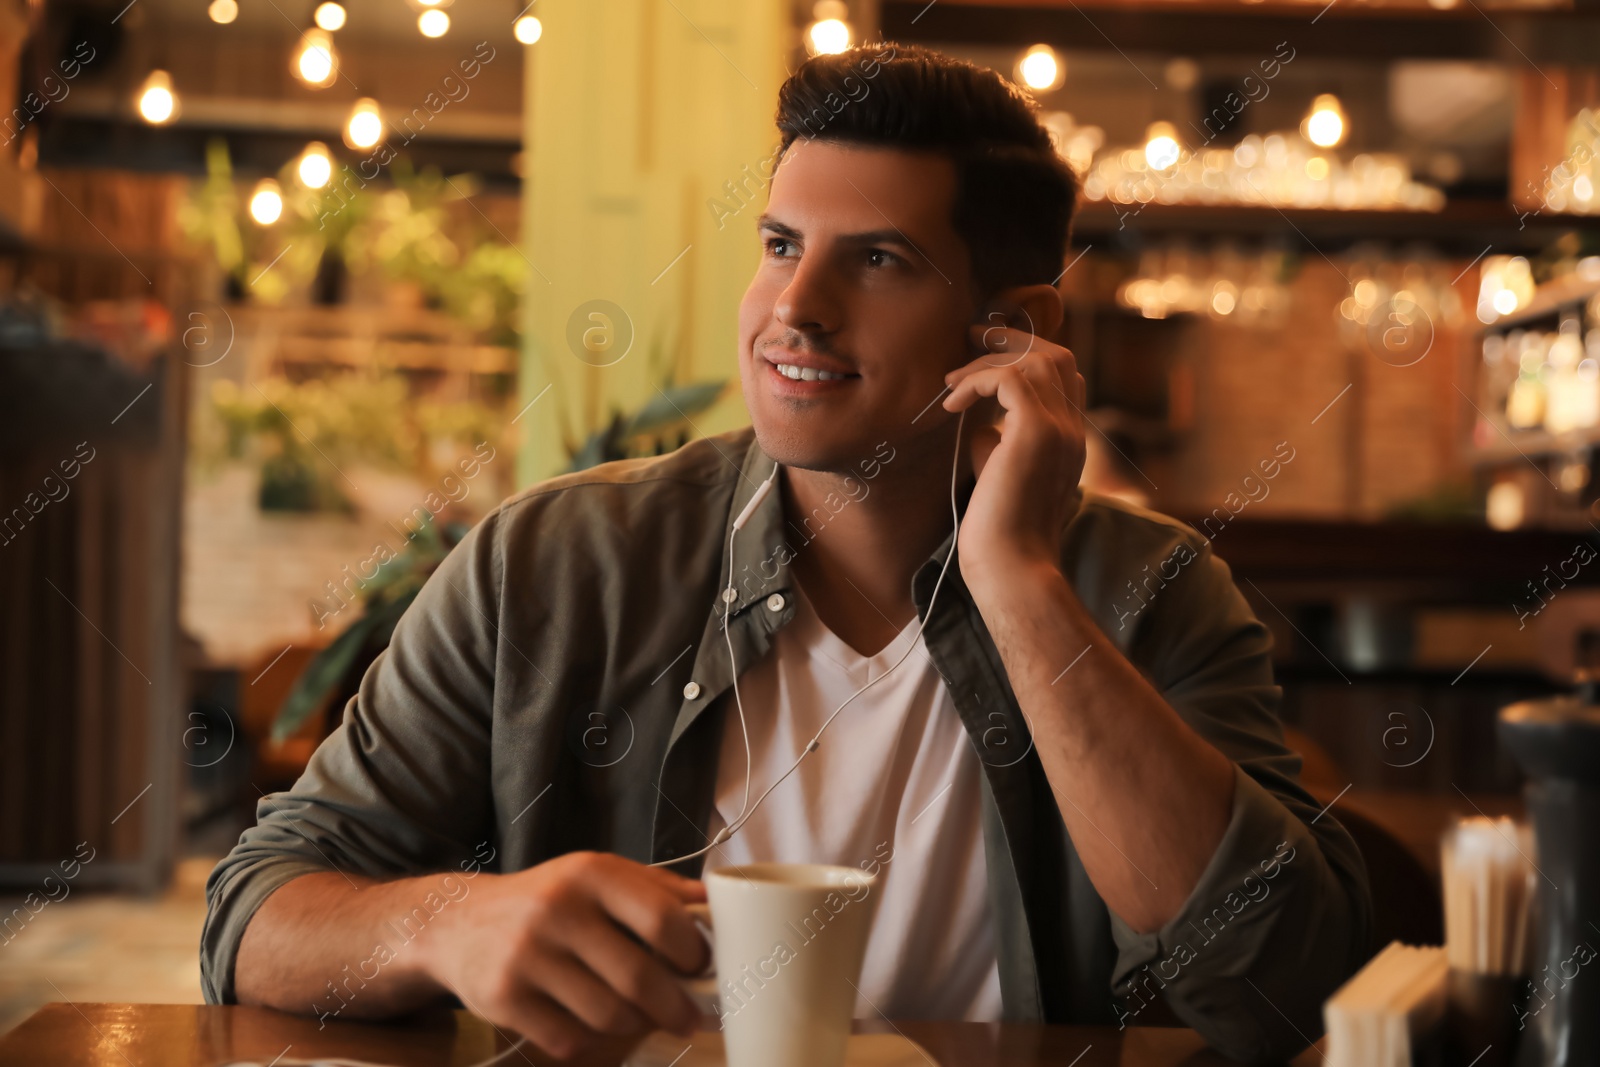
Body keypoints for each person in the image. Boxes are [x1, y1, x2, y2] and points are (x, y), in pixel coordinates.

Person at [203, 42, 1371, 1065]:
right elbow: (253, 915)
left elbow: (1275, 990)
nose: (793, 307)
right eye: (778, 243)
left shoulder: (1148, 594)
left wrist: (1019, 583)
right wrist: (449, 923)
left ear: (1015, 330)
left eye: (877, 260)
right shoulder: (550, 566)